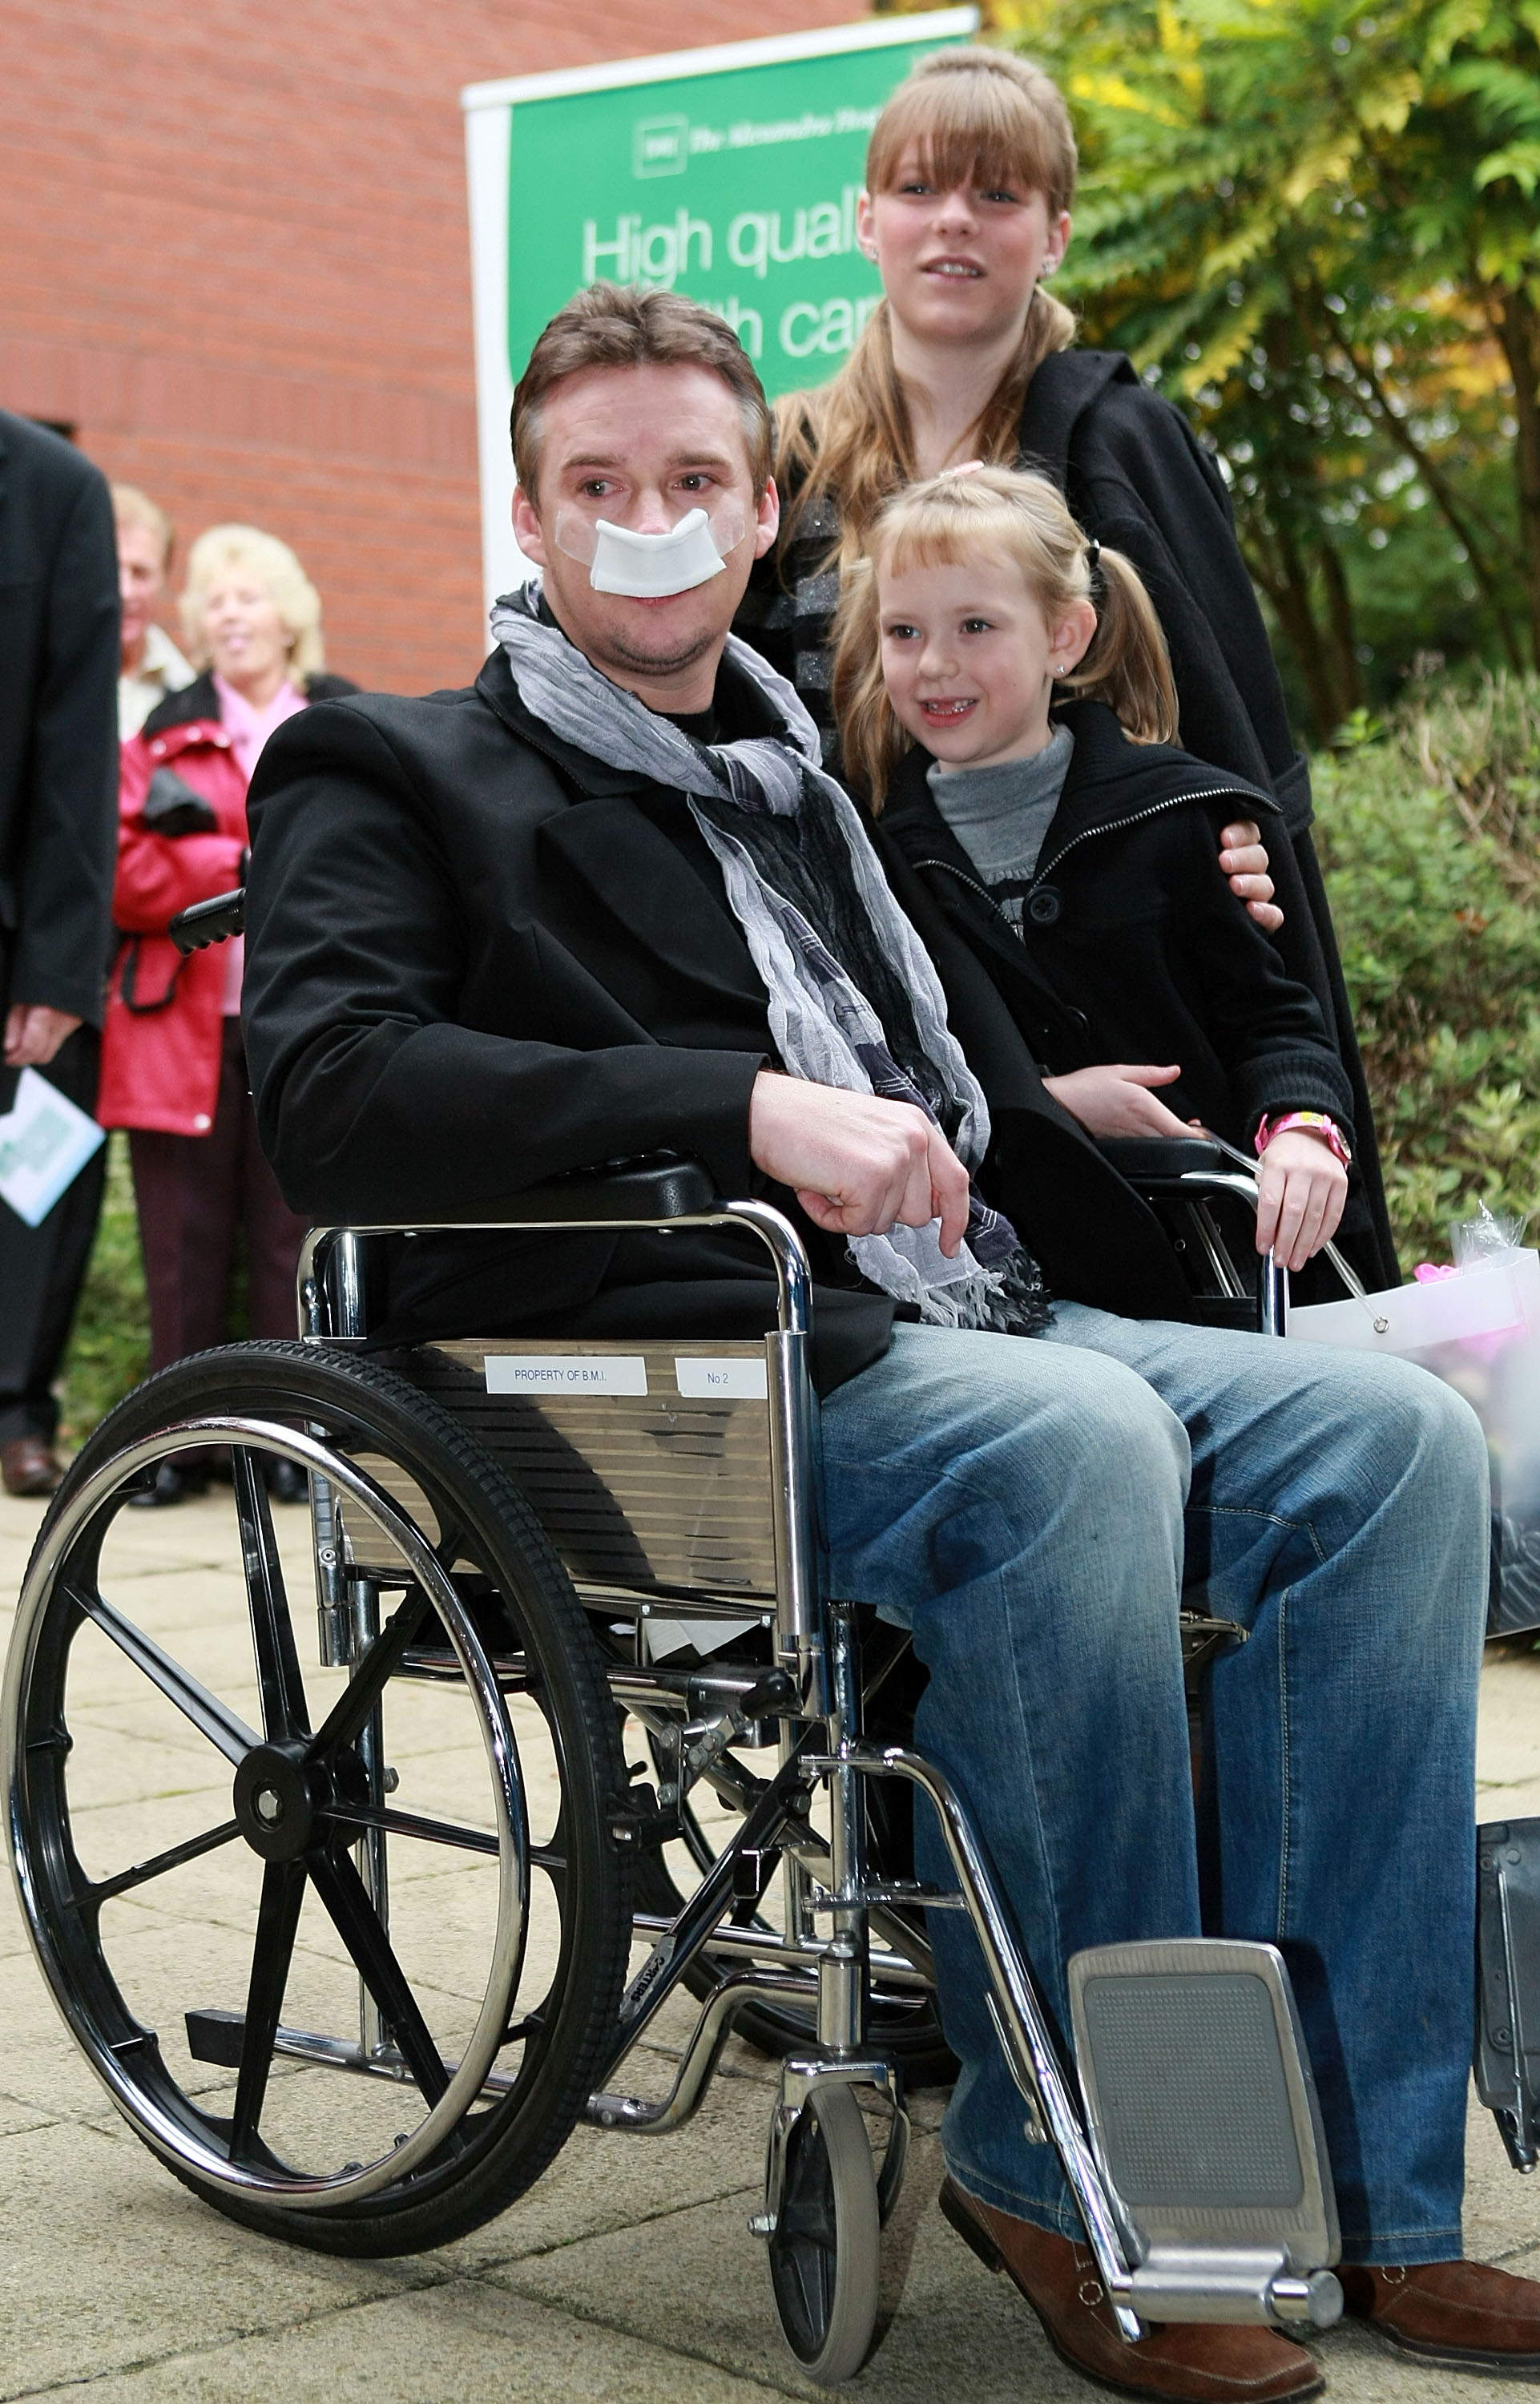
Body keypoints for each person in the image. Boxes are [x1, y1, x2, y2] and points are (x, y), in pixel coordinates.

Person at [242, 287, 1538, 2399]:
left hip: (962, 1304)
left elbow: (935, 1079)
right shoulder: (395, 765)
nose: (646, 523)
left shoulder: (801, 773)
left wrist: (1075, 1121)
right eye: (599, 487)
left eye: (689, 483)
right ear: (531, 510)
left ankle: (1374, 2202)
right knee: (1068, 1453)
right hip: (654, 1366)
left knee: (1388, 1444)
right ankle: (1092, 2180)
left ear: (762, 510)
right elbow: (332, 1084)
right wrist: (732, 1112)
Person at [736, 46, 1398, 1292]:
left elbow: (1216, 726)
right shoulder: (792, 460)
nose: (954, 224)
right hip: (876, 974)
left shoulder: (1114, 439)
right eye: (922, 188)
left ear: (1051, 233)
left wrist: (1228, 828)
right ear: (863, 218)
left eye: (996, 195)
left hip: (1114, 995)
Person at [833, 464, 1353, 1286]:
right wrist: (1050, 1102)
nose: (933, 664)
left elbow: (1272, 1021)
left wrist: (1297, 1129)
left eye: (974, 625)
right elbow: (881, 1071)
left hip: (1218, 1267)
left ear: (1064, 637)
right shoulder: (867, 855)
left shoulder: (1175, 815)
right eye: (903, 632)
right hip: (1016, 1286)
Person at [99, 523, 354, 1506]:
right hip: (184, 1026)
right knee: (182, 1239)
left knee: (292, 1237)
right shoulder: (160, 728)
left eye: (246, 597)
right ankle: (176, 1446)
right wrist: (240, 866)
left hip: (301, 1020)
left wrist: (223, 851)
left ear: (289, 616)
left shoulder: (334, 720)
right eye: (213, 602)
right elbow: (127, 874)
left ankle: (289, 1442)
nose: (228, 615)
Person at [0, 409, 120, 1498]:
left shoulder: (54, 490)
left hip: (15, 931)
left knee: (27, 1190)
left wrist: (57, 966)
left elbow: (77, 748)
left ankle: (16, 1411)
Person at [112, 483, 194, 740]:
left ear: (164, 579)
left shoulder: (185, 689)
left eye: (141, 574)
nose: (125, 591)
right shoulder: (43, 672)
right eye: (111, 568)